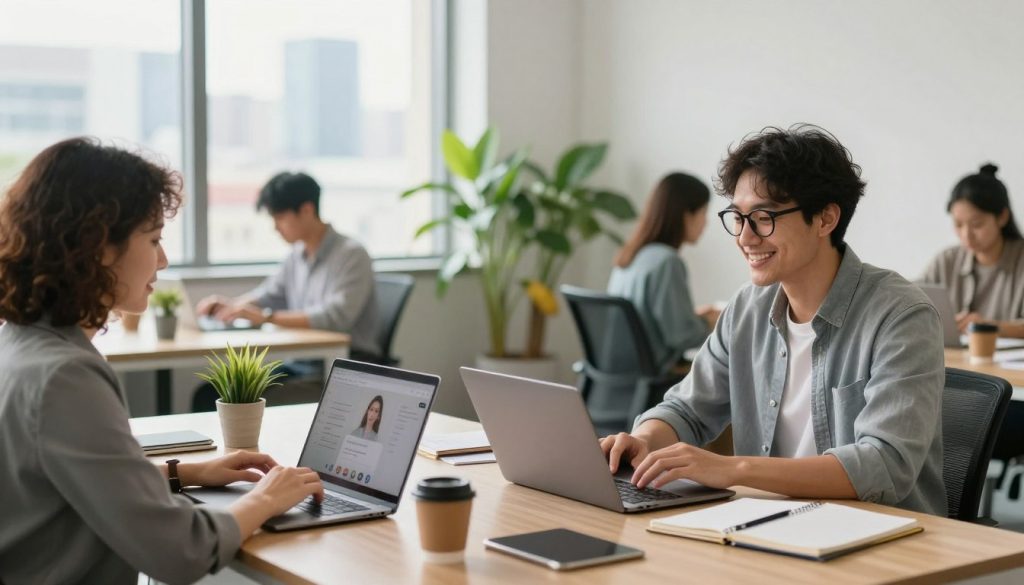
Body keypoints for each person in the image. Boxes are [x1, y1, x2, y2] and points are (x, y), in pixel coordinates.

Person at [0, 138, 325, 584]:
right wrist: (268, 497)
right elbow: (181, 551)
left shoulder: (19, 343)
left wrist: (184, 471)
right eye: (153, 239)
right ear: (97, 247)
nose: (164, 259)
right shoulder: (65, 376)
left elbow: (69, 478)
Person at [601, 124, 946, 515]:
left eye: (763, 217)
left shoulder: (900, 316)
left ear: (825, 219)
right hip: (768, 524)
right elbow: (687, 410)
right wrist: (645, 440)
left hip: (882, 538)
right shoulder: (747, 309)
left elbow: (885, 465)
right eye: (738, 217)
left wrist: (735, 469)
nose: (746, 238)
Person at [197, 171, 380, 356]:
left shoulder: (351, 254)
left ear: (307, 210)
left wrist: (266, 318)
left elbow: (335, 318)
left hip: (344, 361)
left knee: (243, 386)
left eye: (280, 218)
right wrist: (231, 306)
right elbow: (269, 295)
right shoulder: (296, 255)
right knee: (218, 385)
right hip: (305, 357)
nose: (275, 227)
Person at [608, 172, 719, 372]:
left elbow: (644, 320)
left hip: (622, 376)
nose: (706, 223)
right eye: (704, 213)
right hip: (657, 378)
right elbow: (681, 337)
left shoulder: (630, 256)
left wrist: (692, 318)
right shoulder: (668, 262)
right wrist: (711, 322)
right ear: (687, 215)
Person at [921, 164, 1024, 337]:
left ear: (1002, 217)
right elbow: (910, 302)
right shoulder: (946, 261)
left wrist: (988, 327)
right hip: (953, 360)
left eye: (977, 225)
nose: (966, 235)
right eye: (958, 224)